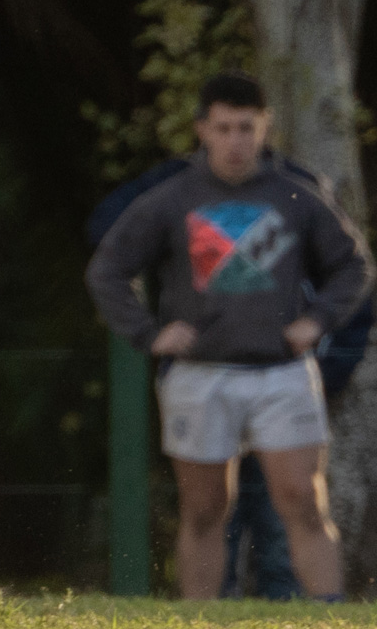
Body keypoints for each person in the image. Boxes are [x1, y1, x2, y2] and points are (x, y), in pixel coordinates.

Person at [86, 70, 373, 601]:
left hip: (281, 373)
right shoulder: (172, 197)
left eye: (247, 128)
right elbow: (107, 270)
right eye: (224, 128)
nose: (236, 141)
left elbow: (354, 266)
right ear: (202, 130)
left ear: (265, 128)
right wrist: (148, 333)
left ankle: (330, 625)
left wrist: (318, 320)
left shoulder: (297, 196)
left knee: (303, 502)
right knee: (204, 511)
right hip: (199, 375)